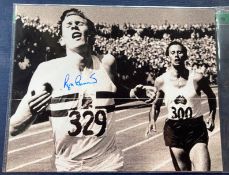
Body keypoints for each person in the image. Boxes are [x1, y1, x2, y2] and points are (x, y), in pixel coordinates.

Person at [9, 8, 155, 172]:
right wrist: (32, 110)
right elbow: (14, 128)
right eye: (68, 25)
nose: (74, 27)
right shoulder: (47, 70)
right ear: (62, 40)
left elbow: (112, 89)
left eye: (79, 23)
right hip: (66, 165)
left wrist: (132, 93)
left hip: (107, 162)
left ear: (91, 34)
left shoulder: (107, 62)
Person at [145, 41, 216, 171]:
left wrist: (212, 116)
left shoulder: (197, 78)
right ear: (168, 56)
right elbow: (156, 104)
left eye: (180, 52)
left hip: (195, 129)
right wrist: (151, 121)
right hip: (174, 130)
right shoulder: (161, 81)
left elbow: (212, 96)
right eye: (173, 53)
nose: (176, 55)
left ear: (186, 55)